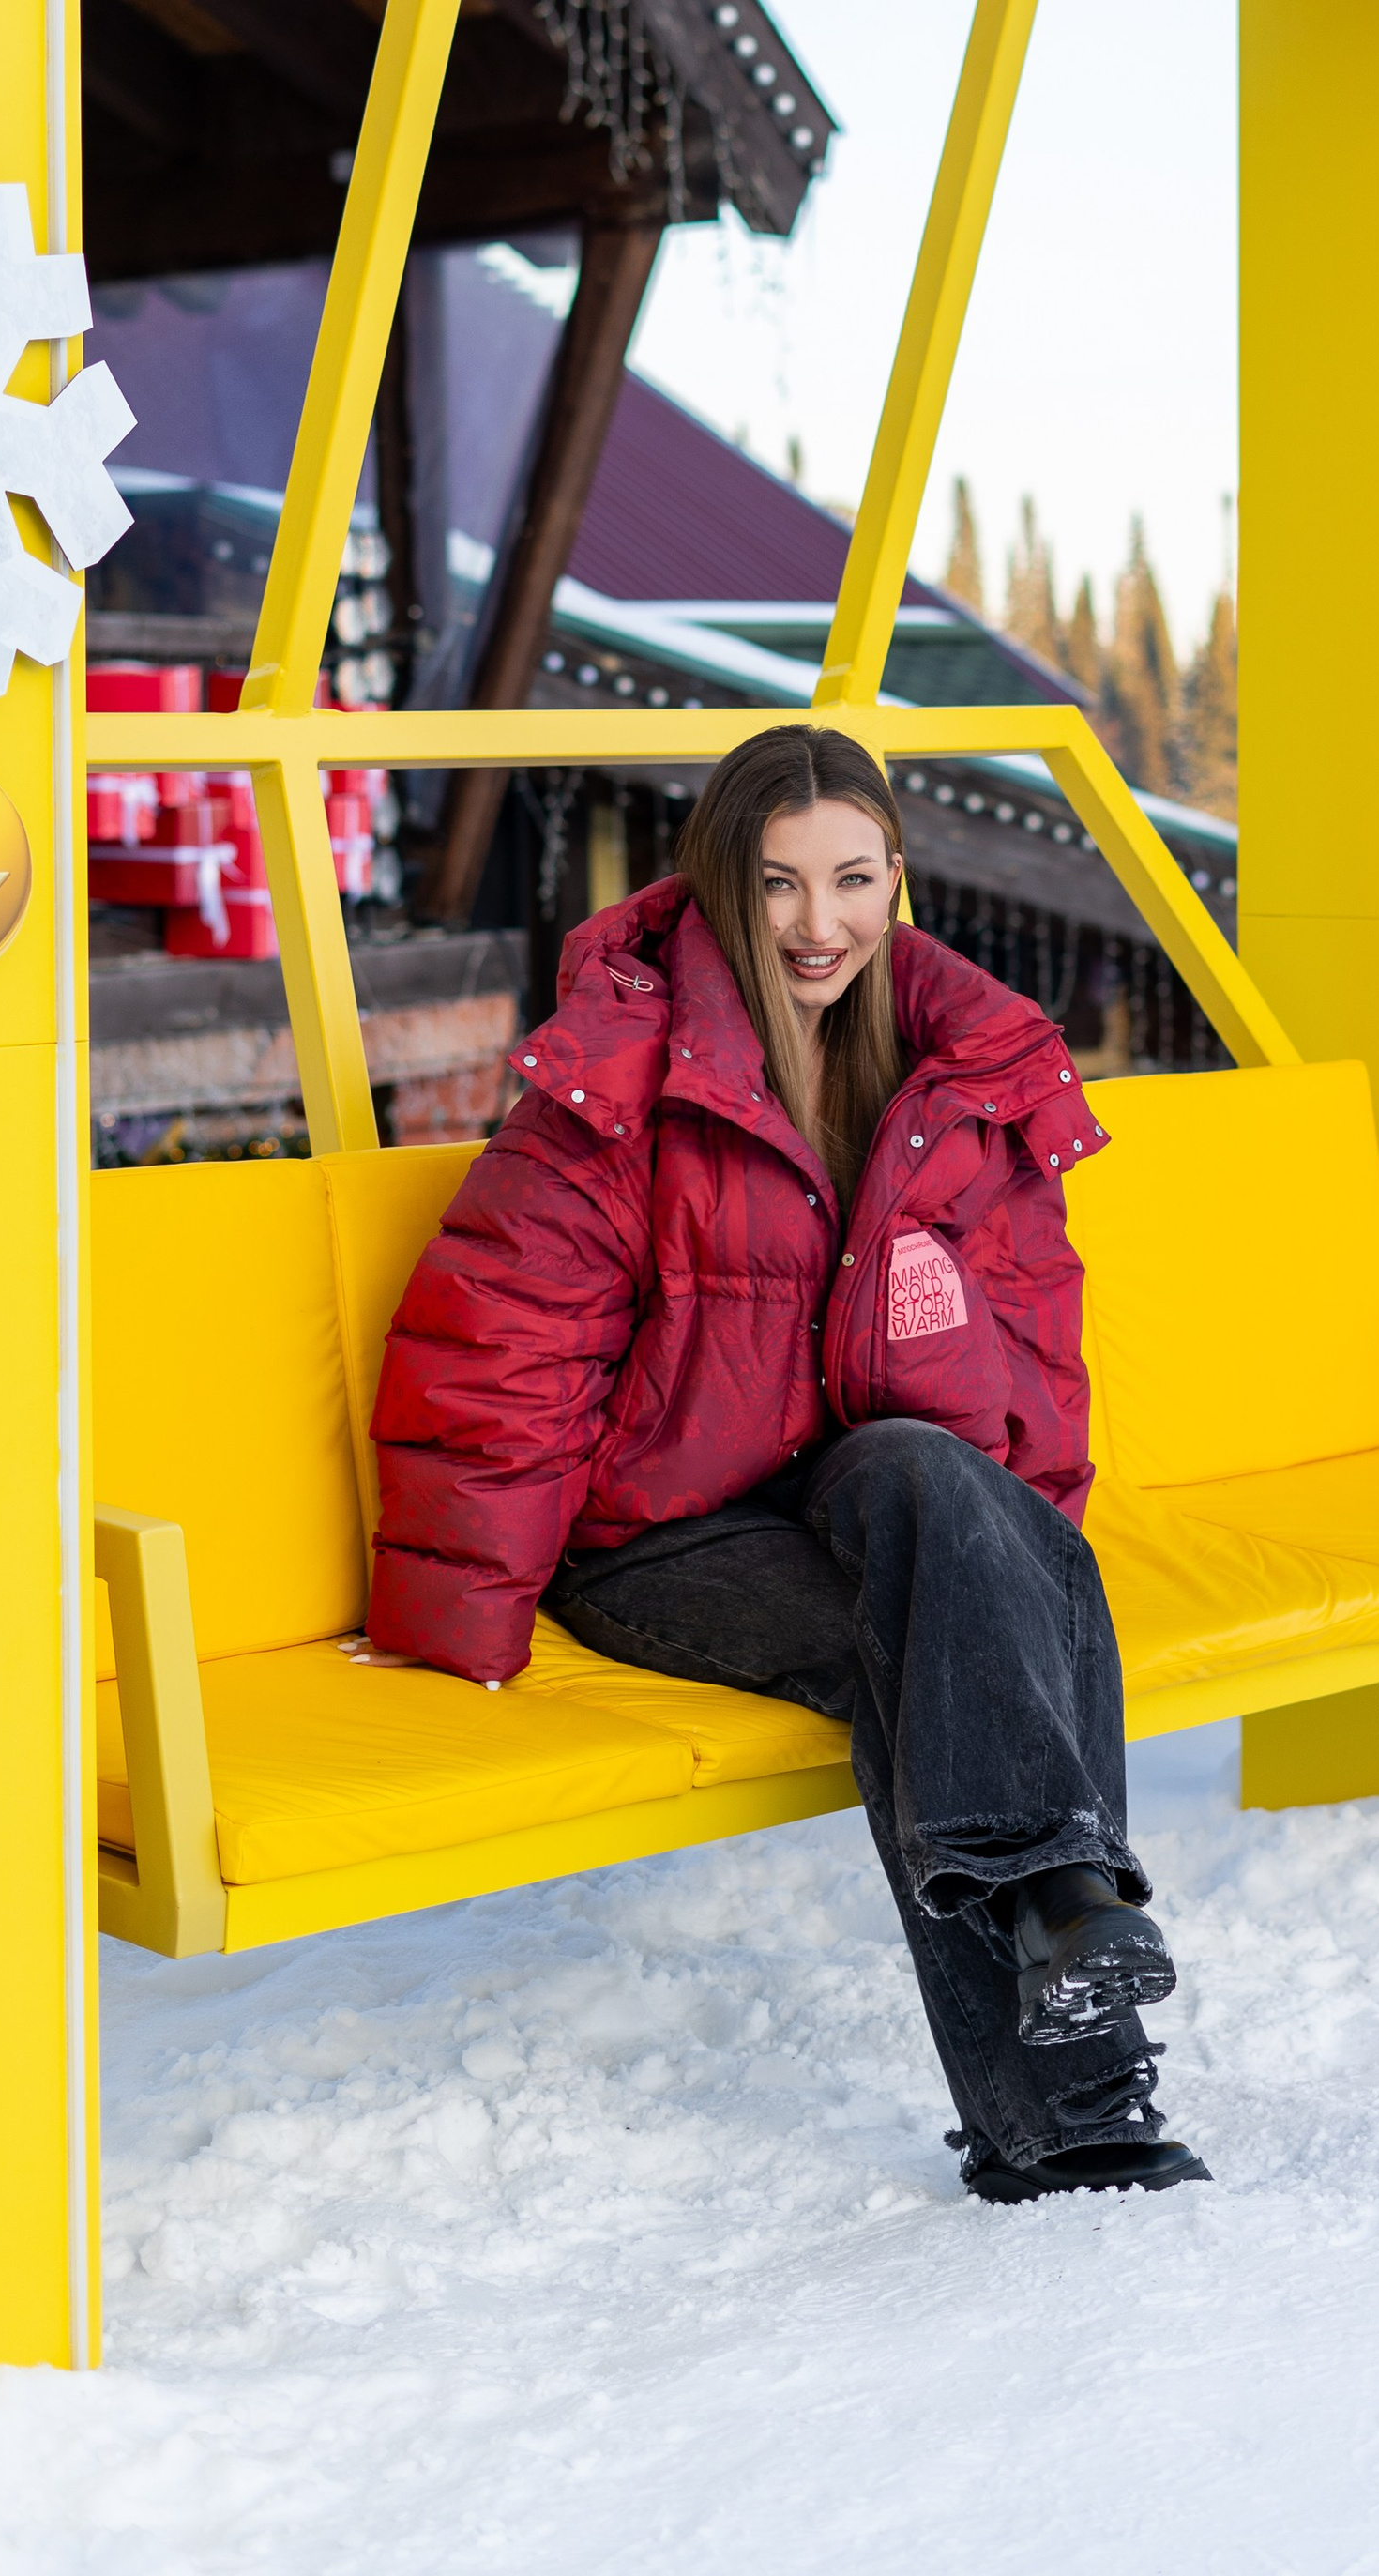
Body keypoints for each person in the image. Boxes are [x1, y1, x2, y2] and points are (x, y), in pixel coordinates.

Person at [360, 721, 1207, 2203]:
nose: (822, 924)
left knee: (950, 1528)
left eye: (855, 878)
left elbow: (1030, 1334)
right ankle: (1076, 2059)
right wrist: (460, 1620)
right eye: (778, 885)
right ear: (720, 885)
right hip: (666, 1537)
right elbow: (505, 1336)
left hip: (864, 1494)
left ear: (898, 882)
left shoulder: (964, 1075)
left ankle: (1064, 1990)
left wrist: (1028, 1548)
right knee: (945, 1648)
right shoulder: (623, 1080)